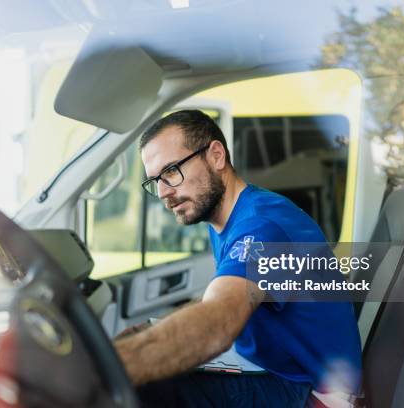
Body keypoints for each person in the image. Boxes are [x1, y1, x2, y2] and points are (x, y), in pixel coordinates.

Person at [115, 110, 362, 407]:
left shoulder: (263, 227)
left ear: (216, 155)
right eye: (155, 181)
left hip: (309, 391)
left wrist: (113, 366)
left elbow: (218, 320)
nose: (164, 192)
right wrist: (154, 331)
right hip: (273, 367)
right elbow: (222, 296)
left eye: (171, 171)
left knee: (142, 388)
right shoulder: (229, 217)